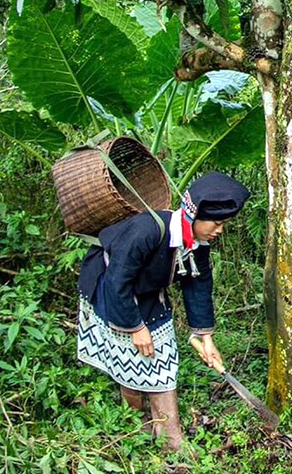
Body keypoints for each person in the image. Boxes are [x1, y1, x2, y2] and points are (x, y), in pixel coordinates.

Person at [76, 171, 250, 449]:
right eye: (217, 223)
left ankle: (169, 439)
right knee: (130, 361)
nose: (220, 230)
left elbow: (198, 285)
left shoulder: (199, 243)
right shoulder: (148, 230)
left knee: (163, 358)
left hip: (148, 291)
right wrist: (135, 327)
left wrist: (204, 337)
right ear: (194, 216)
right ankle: (135, 429)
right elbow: (117, 280)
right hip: (111, 289)